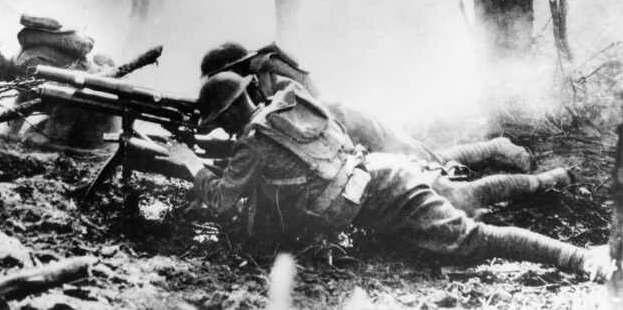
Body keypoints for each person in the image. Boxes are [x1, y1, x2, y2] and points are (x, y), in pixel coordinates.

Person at [164, 72, 611, 279]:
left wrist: (187, 161)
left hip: (382, 191)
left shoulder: (253, 142)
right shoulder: (285, 110)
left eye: (220, 120)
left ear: (227, 114)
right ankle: (550, 185)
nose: (222, 129)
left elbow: (223, 201)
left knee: (469, 238)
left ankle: (583, 258)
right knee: (461, 206)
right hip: (376, 178)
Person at [199, 42, 533, 173]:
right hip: (334, 140)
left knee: (425, 159)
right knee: (423, 159)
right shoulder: (250, 91)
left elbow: (311, 95)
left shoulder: (268, 73)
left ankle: (497, 147)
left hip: (346, 124)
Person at [0, 14, 118, 147]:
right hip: (88, 109)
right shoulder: (20, 67)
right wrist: (11, 130)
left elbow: (67, 95)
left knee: (36, 144)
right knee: (28, 138)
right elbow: (25, 98)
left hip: (97, 112)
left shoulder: (27, 65)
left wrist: (49, 134)